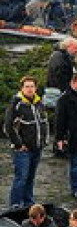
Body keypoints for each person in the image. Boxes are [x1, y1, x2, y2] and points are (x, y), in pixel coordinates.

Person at [4, 76, 48, 208]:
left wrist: (44, 141)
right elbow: (8, 126)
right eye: (27, 86)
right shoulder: (16, 104)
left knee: (31, 177)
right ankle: (16, 203)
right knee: (21, 177)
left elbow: (44, 123)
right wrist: (18, 144)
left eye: (32, 86)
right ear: (22, 88)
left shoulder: (39, 103)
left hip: (37, 147)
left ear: (36, 88)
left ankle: (28, 202)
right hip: (22, 149)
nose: (30, 89)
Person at [44, 36, 77, 109]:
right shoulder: (59, 56)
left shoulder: (65, 56)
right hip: (58, 91)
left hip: (60, 90)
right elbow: (58, 75)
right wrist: (66, 89)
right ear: (69, 46)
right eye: (75, 48)